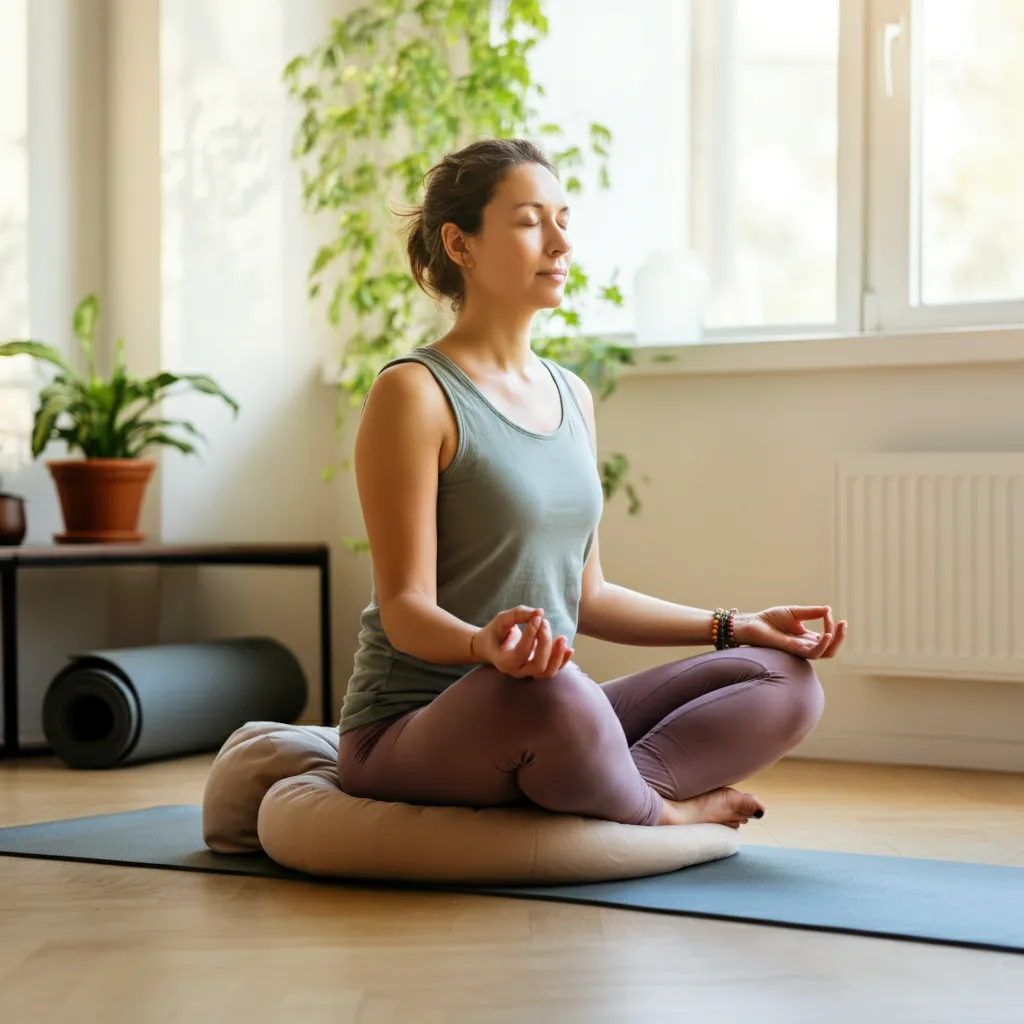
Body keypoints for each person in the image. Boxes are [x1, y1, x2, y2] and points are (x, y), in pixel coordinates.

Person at [337, 138, 847, 830]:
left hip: (542, 701)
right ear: (460, 244)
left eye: (564, 219)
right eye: (528, 221)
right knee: (553, 698)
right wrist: (483, 645)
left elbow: (589, 595)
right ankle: (664, 816)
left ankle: (587, 779)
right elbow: (403, 609)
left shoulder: (571, 394)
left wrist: (734, 626)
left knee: (783, 682)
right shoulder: (415, 393)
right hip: (412, 729)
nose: (559, 242)